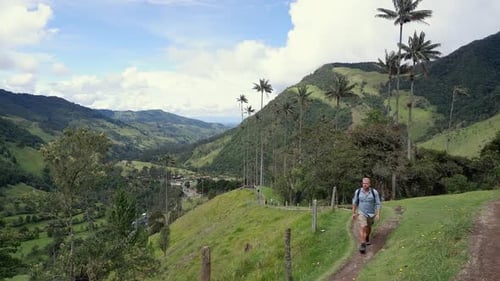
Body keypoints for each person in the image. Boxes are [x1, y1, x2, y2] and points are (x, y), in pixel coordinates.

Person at [352, 177, 381, 254]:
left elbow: (378, 204)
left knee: (368, 227)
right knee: (363, 227)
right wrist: (354, 213)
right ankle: (362, 244)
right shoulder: (358, 192)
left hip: (371, 214)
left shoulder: (374, 192)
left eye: (366, 183)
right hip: (361, 213)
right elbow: (355, 202)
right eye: (363, 183)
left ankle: (367, 236)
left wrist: (378, 214)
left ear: (369, 184)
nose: (364, 185)